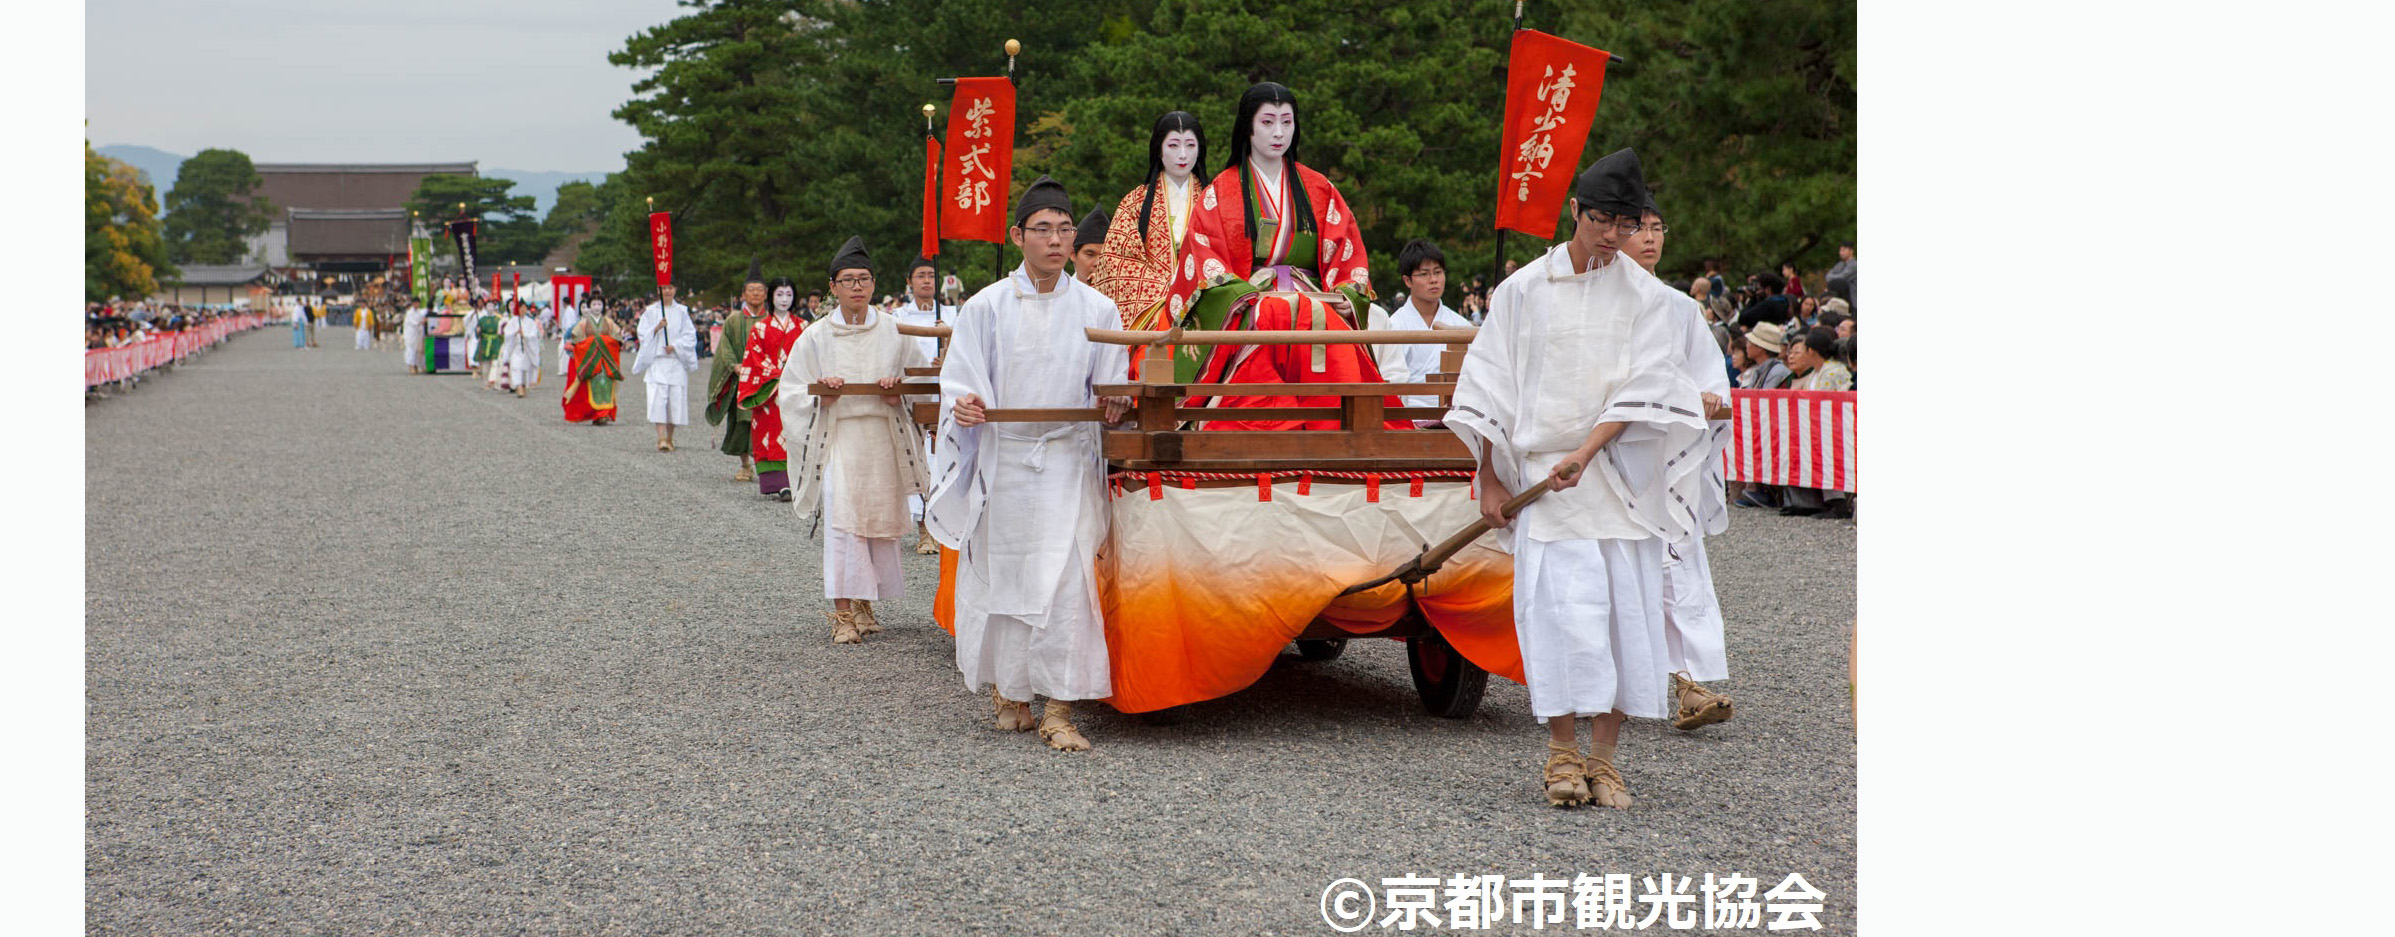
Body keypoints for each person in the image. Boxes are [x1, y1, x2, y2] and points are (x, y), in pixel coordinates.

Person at [1444, 147, 1709, 810]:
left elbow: (1647, 382)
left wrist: (1589, 450)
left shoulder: (1646, 295)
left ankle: (1604, 759)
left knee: (1625, 614)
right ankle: (1561, 750)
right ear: (1574, 212)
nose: (1611, 237)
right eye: (1600, 220)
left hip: (1616, 477)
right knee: (1564, 615)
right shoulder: (1522, 290)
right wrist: (1489, 477)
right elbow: (1487, 385)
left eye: (1624, 224)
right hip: (1542, 475)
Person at [925, 176, 1133, 753]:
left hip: (1067, 458)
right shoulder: (985, 306)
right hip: (1005, 457)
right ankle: (1011, 694)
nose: (1056, 240)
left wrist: (1116, 399)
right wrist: (963, 403)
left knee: (1067, 582)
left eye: (1065, 230)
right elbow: (960, 379)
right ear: (1018, 236)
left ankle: (1061, 708)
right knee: (1006, 577)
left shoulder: (1098, 307)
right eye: (1043, 229)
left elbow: (1113, 385)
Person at [1162, 82, 1402, 431]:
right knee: (1271, 316)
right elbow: (1205, 259)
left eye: (1287, 122)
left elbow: (1348, 255)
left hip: (1317, 299)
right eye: (1268, 122)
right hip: (1248, 300)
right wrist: (1243, 296)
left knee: (1325, 329)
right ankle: (1262, 422)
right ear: (1248, 126)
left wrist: (1348, 295)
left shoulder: (1320, 188)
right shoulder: (1221, 192)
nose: (1279, 133)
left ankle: (1345, 426)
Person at [779, 239, 933, 644]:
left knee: (879, 523)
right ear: (833, 287)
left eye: (864, 279)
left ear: (874, 283)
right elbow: (791, 391)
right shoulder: (815, 337)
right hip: (840, 437)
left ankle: (866, 604)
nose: (857, 287)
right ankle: (843, 614)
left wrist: (897, 391)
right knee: (844, 522)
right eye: (848, 280)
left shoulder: (894, 331)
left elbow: (921, 384)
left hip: (882, 435)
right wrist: (821, 396)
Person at [1626, 191, 1739, 733]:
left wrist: (1710, 397)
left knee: (1678, 565)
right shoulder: (1597, 301)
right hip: (1616, 456)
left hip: (1670, 456)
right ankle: (1612, 686)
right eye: (1639, 227)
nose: (1650, 237)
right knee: (1620, 572)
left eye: (1657, 227)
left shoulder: (1678, 306)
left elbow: (1707, 373)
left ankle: (1688, 684)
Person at [1095, 111, 1208, 334]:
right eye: (1174, 145)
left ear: (1200, 149)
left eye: (1191, 145)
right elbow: (1118, 263)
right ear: (1158, 149)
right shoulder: (1134, 202)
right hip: (1154, 307)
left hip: (1205, 297)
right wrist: (1168, 291)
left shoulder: (1215, 200)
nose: (1183, 154)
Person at [892, 255, 955, 554]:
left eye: (931, 275)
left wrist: (949, 351)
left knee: (946, 461)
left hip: (947, 398)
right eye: (921, 275)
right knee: (918, 461)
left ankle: (949, 528)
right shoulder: (897, 317)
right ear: (909, 281)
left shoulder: (953, 314)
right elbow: (894, 354)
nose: (927, 280)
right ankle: (923, 530)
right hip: (913, 396)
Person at [1375, 239, 1473, 423]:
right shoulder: (1394, 326)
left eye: (1438, 272)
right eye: (1424, 274)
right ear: (1407, 280)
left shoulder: (1461, 326)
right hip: (1409, 417)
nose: (1434, 280)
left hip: (1454, 418)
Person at [736, 274, 809, 499]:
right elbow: (753, 358)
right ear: (771, 297)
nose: (784, 299)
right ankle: (778, 483)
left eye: (789, 294)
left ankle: (796, 482)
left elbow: (809, 357)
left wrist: (793, 375)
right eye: (779, 294)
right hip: (769, 390)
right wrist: (777, 374)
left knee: (796, 432)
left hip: (795, 388)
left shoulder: (804, 326)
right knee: (770, 433)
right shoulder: (760, 328)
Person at [707, 266, 768, 482]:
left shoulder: (771, 319)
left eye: (759, 290)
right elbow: (725, 346)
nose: (755, 294)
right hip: (742, 379)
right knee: (742, 421)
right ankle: (745, 464)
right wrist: (734, 365)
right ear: (743, 294)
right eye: (751, 290)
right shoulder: (733, 320)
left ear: (766, 293)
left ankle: (767, 464)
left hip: (766, 380)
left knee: (766, 422)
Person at [633, 282, 699, 451]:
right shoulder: (650, 312)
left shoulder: (682, 312)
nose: (667, 291)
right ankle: (661, 437)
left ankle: (670, 437)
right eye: (664, 288)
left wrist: (676, 346)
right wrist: (656, 328)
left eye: (670, 288)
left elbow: (690, 336)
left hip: (675, 361)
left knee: (674, 401)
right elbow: (642, 334)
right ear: (658, 291)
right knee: (658, 400)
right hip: (658, 361)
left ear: (675, 289)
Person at [561, 295, 623, 425]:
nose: (596, 307)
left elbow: (617, 339)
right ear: (589, 306)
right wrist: (592, 343)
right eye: (594, 304)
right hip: (591, 359)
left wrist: (604, 342)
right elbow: (577, 341)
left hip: (605, 359)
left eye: (599, 304)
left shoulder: (609, 322)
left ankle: (604, 414)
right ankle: (595, 414)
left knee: (605, 385)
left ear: (603, 306)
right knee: (592, 386)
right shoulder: (582, 324)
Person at [501, 301, 541, 397]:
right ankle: (518, 386)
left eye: (524, 307)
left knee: (525, 368)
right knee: (516, 367)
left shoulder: (530, 322)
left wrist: (526, 336)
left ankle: (523, 386)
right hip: (516, 348)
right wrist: (515, 332)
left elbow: (534, 335)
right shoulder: (513, 321)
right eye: (521, 307)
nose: (523, 309)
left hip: (527, 348)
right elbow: (507, 333)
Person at [1071, 208, 1109, 285]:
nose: (1098, 263)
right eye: (1090, 254)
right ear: (1073, 255)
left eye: (1105, 256)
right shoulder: (1059, 294)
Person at [1824, 241, 1855, 311]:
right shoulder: (1839, 264)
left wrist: (1834, 277)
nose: (1841, 253)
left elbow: (1842, 277)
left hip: (1852, 301)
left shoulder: (1854, 265)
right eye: (1840, 250)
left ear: (1851, 251)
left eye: (1844, 250)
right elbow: (1827, 276)